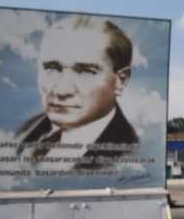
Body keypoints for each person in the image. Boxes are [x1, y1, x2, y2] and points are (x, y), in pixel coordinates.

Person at [16, 14, 139, 170]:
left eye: (85, 72)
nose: (61, 90)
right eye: (52, 68)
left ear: (121, 80)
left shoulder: (130, 152)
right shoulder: (27, 130)